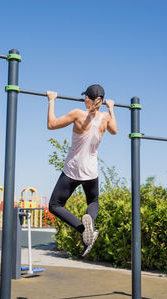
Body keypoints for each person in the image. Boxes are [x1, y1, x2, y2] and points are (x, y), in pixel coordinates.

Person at [47, 84, 117, 256]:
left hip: (73, 169)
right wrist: (111, 108)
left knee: (55, 205)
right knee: (93, 202)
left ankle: (82, 229)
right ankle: (90, 224)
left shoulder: (78, 114)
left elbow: (51, 124)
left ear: (88, 99)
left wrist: (51, 101)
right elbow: (114, 131)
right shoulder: (106, 117)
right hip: (91, 171)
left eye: (85, 96)